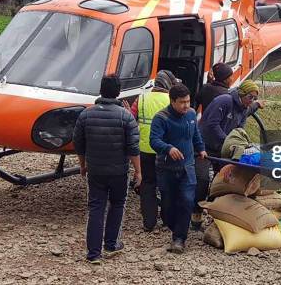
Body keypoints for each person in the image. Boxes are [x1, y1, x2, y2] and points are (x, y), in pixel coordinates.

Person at [73, 74, 142, 264]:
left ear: (101, 90)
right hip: (119, 171)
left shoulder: (86, 114)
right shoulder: (126, 116)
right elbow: (133, 147)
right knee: (117, 204)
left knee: (96, 207)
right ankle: (111, 244)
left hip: (95, 170)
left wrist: (82, 165)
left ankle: (93, 253)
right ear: (118, 92)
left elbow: (79, 144)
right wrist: (138, 171)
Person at [195, 80, 263, 228]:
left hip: (223, 148)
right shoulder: (224, 101)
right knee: (202, 179)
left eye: (254, 99)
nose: (251, 101)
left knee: (225, 181)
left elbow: (239, 132)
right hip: (204, 146)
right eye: (250, 97)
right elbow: (211, 124)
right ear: (242, 94)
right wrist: (228, 140)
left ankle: (218, 215)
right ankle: (196, 215)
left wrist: (236, 149)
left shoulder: (244, 109)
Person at [150, 83, 207, 254]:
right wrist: (168, 148)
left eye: (188, 101)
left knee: (187, 200)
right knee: (168, 204)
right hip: (166, 168)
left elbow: (195, 134)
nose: (186, 105)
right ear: (172, 101)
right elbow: (154, 140)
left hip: (187, 166)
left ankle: (179, 238)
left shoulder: (190, 114)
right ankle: (171, 224)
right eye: (182, 102)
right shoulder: (161, 118)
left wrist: (201, 148)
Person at [127, 70, 178, 232]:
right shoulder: (172, 101)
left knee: (147, 184)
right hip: (165, 150)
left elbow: (131, 119)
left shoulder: (141, 98)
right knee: (167, 184)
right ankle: (167, 219)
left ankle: (149, 222)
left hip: (144, 149)